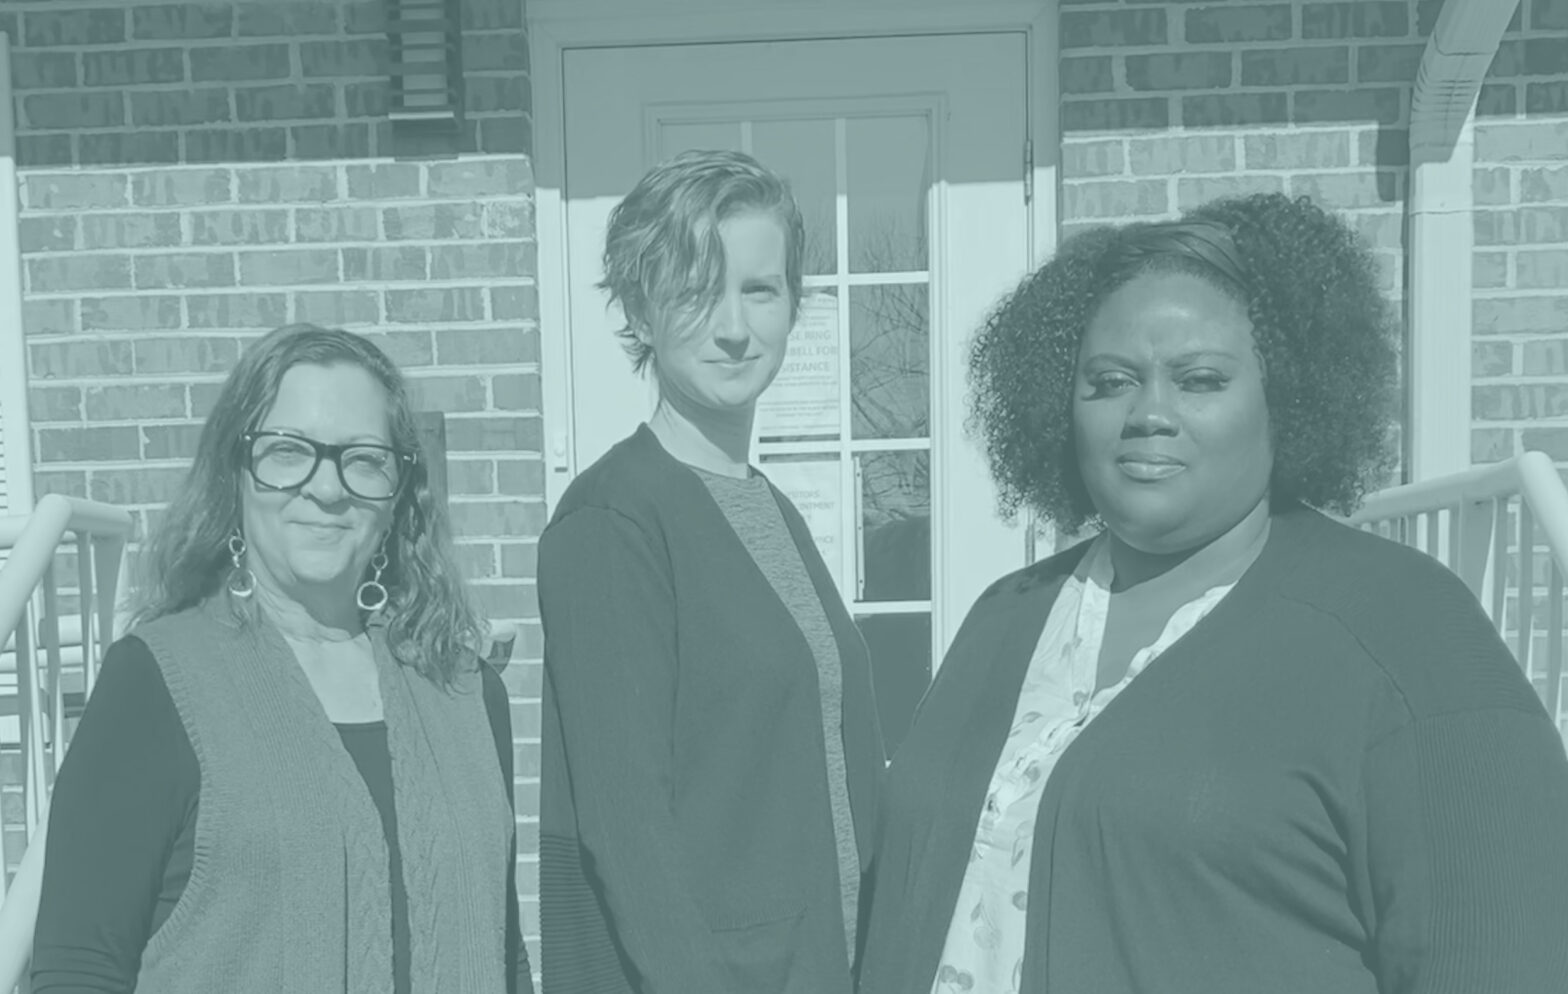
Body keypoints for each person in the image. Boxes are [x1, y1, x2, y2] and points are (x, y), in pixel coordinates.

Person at [856, 192, 1568, 994]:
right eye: (1110, 380)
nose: (1149, 413)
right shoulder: (1006, 617)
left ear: (1287, 397)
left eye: (1199, 380)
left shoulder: (1405, 636)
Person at [31, 323, 534, 994]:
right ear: (234, 471)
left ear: (399, 492)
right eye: (288, 451)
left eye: (363, 458)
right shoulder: (154, 685)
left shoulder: (466, 691)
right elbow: (79, 969)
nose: (327, 489)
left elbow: (507, 958)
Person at [538, 150, 886, 994]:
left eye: (760, 290)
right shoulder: (613, 520)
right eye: (696, 291)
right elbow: (627, 829)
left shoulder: (766, 505)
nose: (734, 326)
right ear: (640, 311)